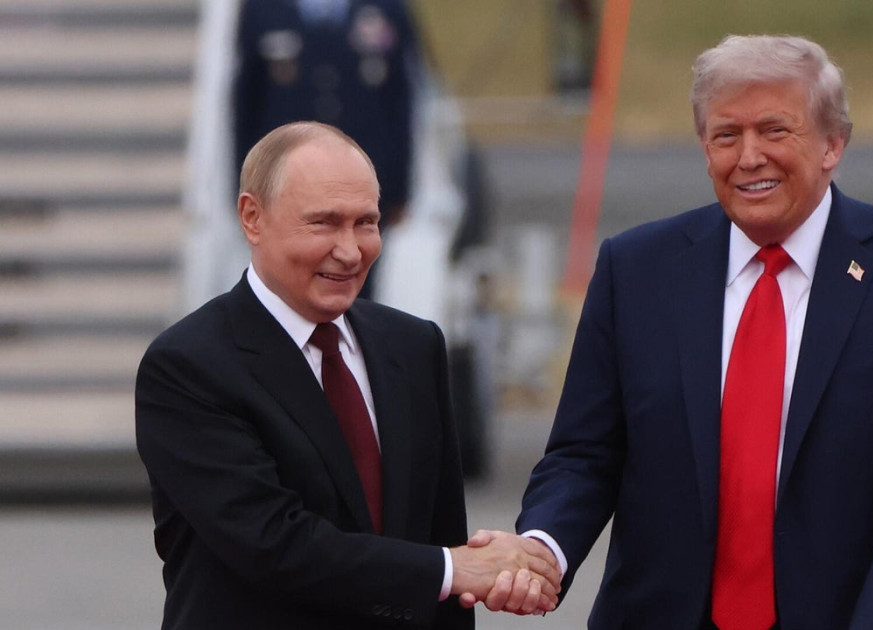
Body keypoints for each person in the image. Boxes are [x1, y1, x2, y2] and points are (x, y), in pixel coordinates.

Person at [496, 35, 873, 628]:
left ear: (834, 143)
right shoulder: (637, 270)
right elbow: (584, 453)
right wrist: (542, 548)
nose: (749, 156)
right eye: (726, 136)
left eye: (775, 131)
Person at [135, 122, 559, 629]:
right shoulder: (188, 366)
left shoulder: (414, 347)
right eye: (324, 223)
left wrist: (470, 568)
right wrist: (454, 568)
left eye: (366, 222)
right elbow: (272, 543)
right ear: (252, 217)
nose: (351, 250)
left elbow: (439, 533)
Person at [233, 0, 420, 297]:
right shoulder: (262, 8)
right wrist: (245, 185)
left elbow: (401, 102)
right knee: (288, 284)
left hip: (364, 184)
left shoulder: (388, 8)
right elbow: (246, 106)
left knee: (355, 282)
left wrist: (401, 188)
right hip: (288, 185)